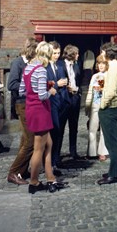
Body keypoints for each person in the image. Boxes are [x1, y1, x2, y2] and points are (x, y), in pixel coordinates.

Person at [19, 41, 65, 194]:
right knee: (38, 148)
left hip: (32, 109)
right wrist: (51, 90)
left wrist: (45, 85)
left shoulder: (28, 68)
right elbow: (42, 96)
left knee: (48, 144)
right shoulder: (41, 69)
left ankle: (50, 178)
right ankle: (34, 182)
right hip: (40, 111)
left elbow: (22, 91)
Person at [6, 37, 36, 185]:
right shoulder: (18, 63)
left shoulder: (30, 63)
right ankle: (13, 172)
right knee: (31, 141)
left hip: (30, 103)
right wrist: (30, 86)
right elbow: (11, 84)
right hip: (22, 104)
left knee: (25, 140)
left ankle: (21, 171)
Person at [97, 44, 117, 184]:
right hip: (114, 107)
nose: (102, 55)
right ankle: (115, 170)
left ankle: (115, 174)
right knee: (114, 141)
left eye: (103, 52)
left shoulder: (114, 67)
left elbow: (111, 91)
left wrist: (102, 105)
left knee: (112, 142)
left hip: (110, 108)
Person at [56, 44, 85, 161]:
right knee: (61, 128)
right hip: (64, 100)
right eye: (77, 53)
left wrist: (78, 91)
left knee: (74, 127)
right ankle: (56, 155)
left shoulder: (77, 66)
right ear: (72, 54)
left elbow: (78, 81)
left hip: (75, 99)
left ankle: (73, 152)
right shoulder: (59, 65)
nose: (78, 55)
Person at [46, 41, 69, 171]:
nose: (56, 55)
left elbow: (63, 82)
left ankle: (55, 160)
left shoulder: (60, 66)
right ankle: (49, 163)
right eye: (54, 53)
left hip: (61, 103)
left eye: (58, 53)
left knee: (58, 134)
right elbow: (44, 86)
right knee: (52, 135)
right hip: (49, 104)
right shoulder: (44, 67)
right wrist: (56, 84)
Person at [85, 55, 110, 160]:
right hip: (94, 105)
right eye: (99, 63)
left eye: (103, 63)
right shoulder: (94, 76)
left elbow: (110, 91)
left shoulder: (109, 75)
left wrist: (102, 89)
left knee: (104, 130)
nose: (101, 65)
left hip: (104, 105)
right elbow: (90, 92)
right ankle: (91, 152)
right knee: (92, 129)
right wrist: (87, 106)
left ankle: (103, 152)